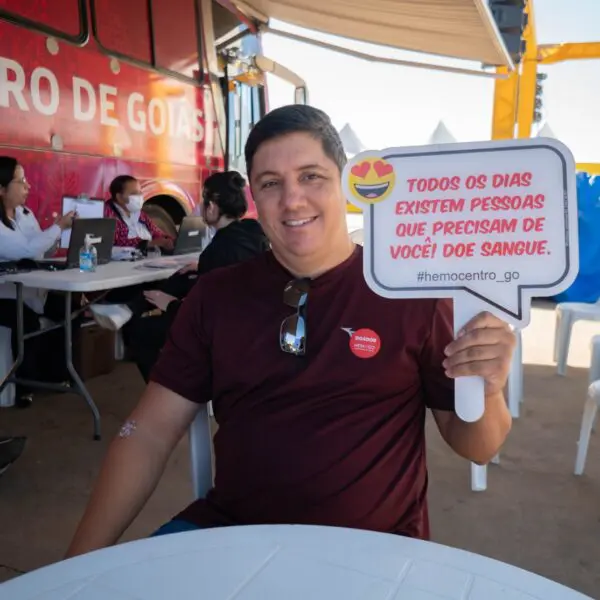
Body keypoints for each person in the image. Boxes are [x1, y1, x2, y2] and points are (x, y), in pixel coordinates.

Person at [66, 105, 515, 558]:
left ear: (345, 182)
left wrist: (490, 387)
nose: (292, 199)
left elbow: (478, 445)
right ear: (255, 198)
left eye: (311, 176)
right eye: (271, 183)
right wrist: (76, 566)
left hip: (373, 554)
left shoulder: (411, 292)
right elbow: (148, 433)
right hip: (231, 534)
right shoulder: (216, 296)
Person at [128, 170, 270, 382]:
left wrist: (170, 304)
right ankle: (133, 306)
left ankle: (168, 392)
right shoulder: (253, 232)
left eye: (204, 202)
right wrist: (202, 266)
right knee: (184, 277)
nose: (201, 207)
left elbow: (204, 315)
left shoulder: (218, 251)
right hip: (252, 328)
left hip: (221, 335)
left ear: (212, 206)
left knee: (138, 332)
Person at [0, 156, 76, 406]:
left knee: (69, 308)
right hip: (5, 294)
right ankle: (24, 386)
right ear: (1, 189)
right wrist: (57, 228)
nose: (27, 187)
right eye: (20, 182)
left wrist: (59, 236)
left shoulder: (25, 213)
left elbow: (40, 250)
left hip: (31, 288)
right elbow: (24, 250)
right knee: (26, 321)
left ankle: (58, 375)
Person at [104, 175, 173, 251]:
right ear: (119, 197)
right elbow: (114, 242)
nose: (139, 196)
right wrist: (149, 243)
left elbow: (155, 231)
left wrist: (166, 239)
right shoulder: (108, 213)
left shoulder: (140, 214)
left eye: (140, 193)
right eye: (134, 193)